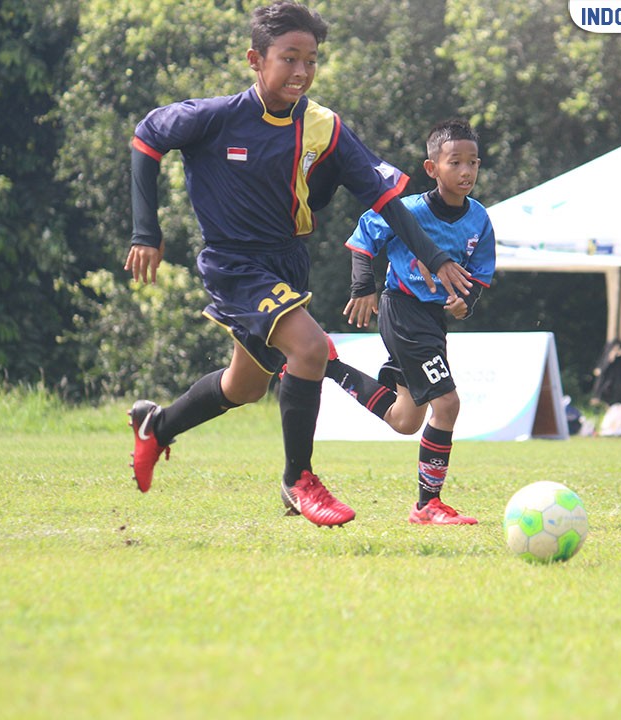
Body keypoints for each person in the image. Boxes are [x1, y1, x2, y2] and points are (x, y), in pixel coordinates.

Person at [123, 1, 473, 528]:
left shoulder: (323, 126)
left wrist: (435, 255)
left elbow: (384, 199)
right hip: (234, 265)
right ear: (255, 60)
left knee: (243, 386)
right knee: (309, 348)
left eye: (310, 60)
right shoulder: (215, 118)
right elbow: (147, 136)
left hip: (288, 263)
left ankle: (157, 426)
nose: (302, 71)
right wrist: (145, 232)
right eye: (289, 58)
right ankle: (298, 479)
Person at [319, 119, 496, 525]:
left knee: (405, 419)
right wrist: (362, 287)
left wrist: (465, 303)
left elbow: (479, 275)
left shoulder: (479, 219)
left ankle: (330, 366)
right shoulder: (409, 209)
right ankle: (427, 505)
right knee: (447, 404)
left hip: (431, 320)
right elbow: (364, 237)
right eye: (455, 162)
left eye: (472, 162)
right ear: (432, 168)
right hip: (402, 311)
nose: (466, 171)